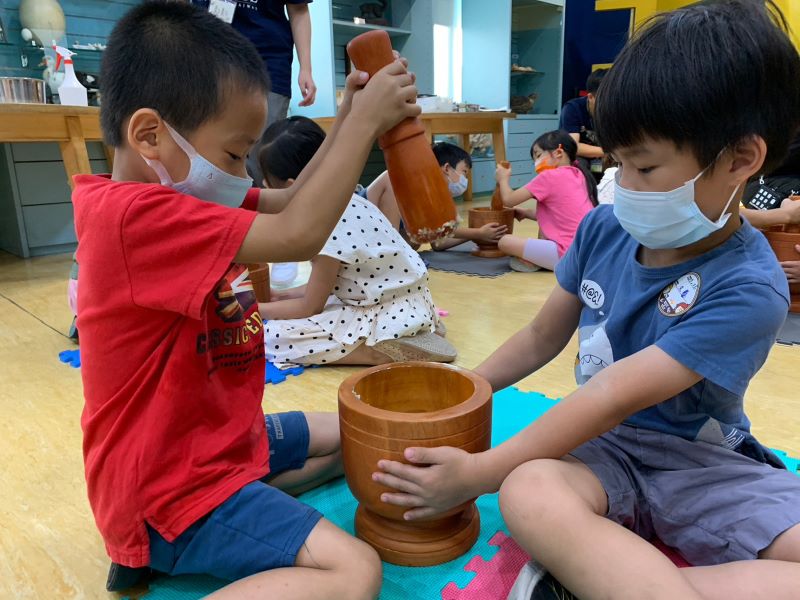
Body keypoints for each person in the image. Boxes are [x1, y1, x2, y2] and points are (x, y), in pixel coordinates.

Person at [373, 2, 800, 599]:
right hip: (601, 451)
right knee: (528, 489)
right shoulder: (606, 230)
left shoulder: (750, 286)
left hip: (705, 466)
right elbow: (541, 336)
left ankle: (615, 583)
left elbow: (610, 393)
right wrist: (461, 394)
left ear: (740, 160)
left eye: (645, 167)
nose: (622, 185)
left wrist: (477, 474)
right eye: (617, 163)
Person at [74, 2, 419, 597]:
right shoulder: (134, 218)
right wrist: (364, 126)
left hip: (217, 440)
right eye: (235, 154)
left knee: (365, 434)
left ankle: (220, 519)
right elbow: (299, 233)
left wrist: (344, 121)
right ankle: (167, 538)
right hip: (168, 486)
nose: (241, 172)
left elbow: (291, 202)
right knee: (354, 571)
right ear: (150, 134)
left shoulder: (187, 195)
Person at [258, 117, 456, 366]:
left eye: (268, 188)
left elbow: (310, 306)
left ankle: (381, 351)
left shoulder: (324, 222)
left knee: (273, 336)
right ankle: (412, 333)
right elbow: (325, 287)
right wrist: (279, 297)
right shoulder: (350, 200)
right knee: (312, 310)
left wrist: (254, 311)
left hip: (388, 314)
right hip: (413, 304)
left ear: (290, 187)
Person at [366, 141, 508, 250]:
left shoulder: (437, 198)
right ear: (447, 168)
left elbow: (438, 243)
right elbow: (435, 230)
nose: (465, 179)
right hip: (359, 222)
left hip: (383, 238)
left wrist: (478, 234)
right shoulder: (403, 182)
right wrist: (477, 233)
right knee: (391, 179)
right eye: (464, 172)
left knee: (415, 242)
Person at [494, 130, 597, 272]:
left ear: (558, 153)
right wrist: (527, 213)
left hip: (567, 254)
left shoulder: (549, 176)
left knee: (504, 241)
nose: (536, 163)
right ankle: (538, 258)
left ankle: (536, 261)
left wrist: (503, 179)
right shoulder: (578, 174)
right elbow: (563, 215)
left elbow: (509, 200)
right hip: (589, 253)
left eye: (538, 155)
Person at [559, 68, 608, 179]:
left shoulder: (617, 110)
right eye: (605, 98)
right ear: (590, 97)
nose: (611, 103)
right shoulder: (572, 108)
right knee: (578, 167)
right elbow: (573, 147)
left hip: (603, 157)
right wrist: (608, 151)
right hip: (580, 157)